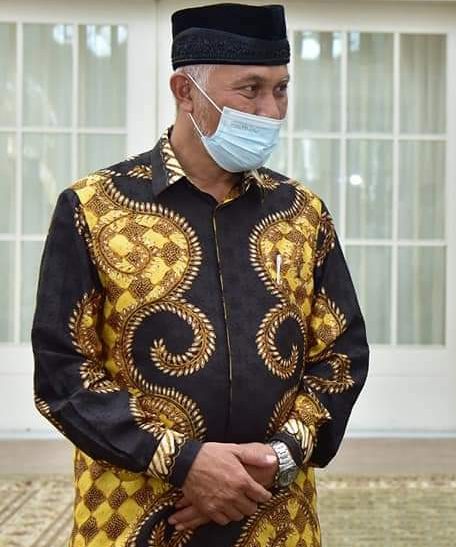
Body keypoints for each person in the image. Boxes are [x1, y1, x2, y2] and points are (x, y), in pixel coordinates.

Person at [31, 4, 368, 545]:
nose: (271, 110)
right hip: (135, 513)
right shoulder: (94, 208)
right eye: (250, 89)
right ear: (186, 91)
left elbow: (342, 356)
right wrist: (183, 462)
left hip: (275, 514)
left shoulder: (302, 213)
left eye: (281, 89)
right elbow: (63, 374)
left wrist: (276, 458)